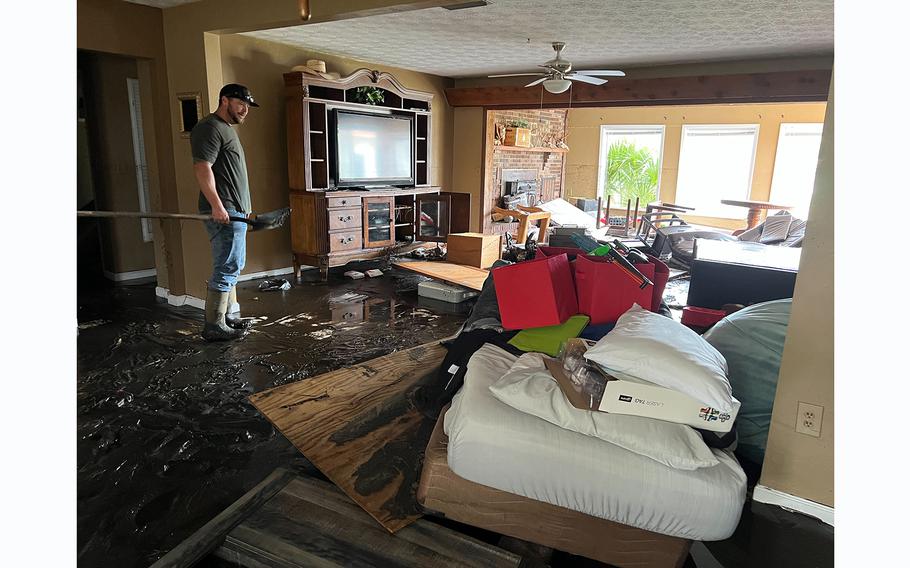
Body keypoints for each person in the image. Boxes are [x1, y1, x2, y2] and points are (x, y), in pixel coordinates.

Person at [191, 83, 260, 341]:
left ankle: (226, 317)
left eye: (247, 106)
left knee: (234, 264)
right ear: (224, 101)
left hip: (235, 210)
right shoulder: (209, 127)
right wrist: (218, 206)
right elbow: (202, 168)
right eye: (240, 104)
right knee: (227, 266)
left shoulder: (225, 129)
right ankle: (214, 326)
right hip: (225, 210)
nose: (245, 110)